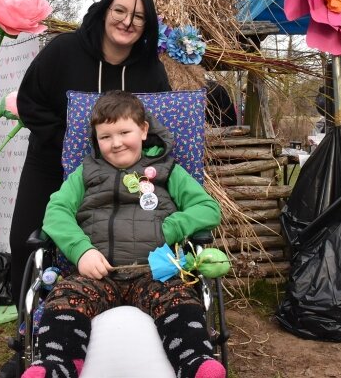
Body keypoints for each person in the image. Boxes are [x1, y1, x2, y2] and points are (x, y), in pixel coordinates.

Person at [0, 0, 171, 378]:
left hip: (122, 175)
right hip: (52, 163)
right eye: (121, 11)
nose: (127, 22)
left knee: (118, 243)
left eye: (139, 17)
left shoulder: (150, 69)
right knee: (28, 240)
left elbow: (158, 125)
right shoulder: (63, 51)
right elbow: (29, 101)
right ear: (106, 10)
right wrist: (68, 141)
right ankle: (28, 338)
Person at [24, 91, 224, 378]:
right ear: (96, 139)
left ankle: (194, 363)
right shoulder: (85, 174)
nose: (116, 143)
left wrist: (168, 228)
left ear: (143, 130)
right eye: (105, 136)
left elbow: (207, 208)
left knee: (178, 299)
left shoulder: (168, 171)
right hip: (97, 274)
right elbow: (56, 213)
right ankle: (57, 367)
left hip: (154, 272)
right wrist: (81, 251)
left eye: (124, 132)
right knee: (66, 297)